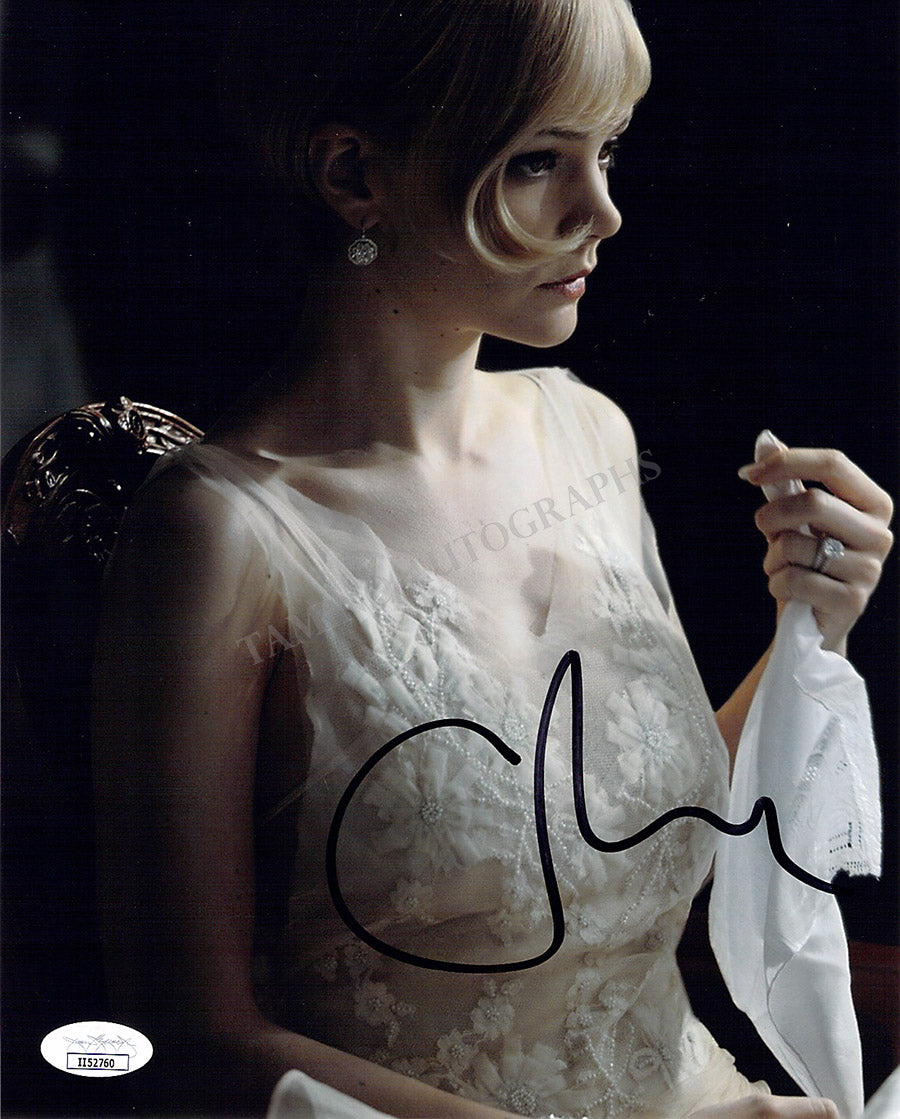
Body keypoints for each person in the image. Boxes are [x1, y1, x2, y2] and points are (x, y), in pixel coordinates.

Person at [90, 1, 894, 1116]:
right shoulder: (224, 531)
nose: (602, 212)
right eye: (536, 162)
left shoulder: (588, 433)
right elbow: (190, 1037)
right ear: (353, 174)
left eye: (607, 151)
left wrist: (811, 624)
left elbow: (617, 834)